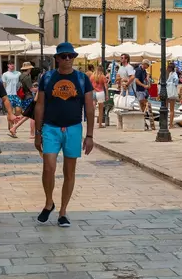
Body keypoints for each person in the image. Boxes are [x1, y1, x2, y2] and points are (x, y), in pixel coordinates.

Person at [34, 43, 94, 228]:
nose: (68, 59)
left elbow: (89, 108)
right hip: (51, 128)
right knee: (48, 168)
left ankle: (63, 212)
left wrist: (90, 135)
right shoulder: (48, 77)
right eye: (64, 56)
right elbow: (40, 105)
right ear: (57, 58)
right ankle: (49, 202)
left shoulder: (83, 79)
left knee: (69, 172)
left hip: (73, 128)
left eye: (71, 56)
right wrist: (38, 132)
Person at [90, 64, 109, 129]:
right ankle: (100, 124)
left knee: (93, 109)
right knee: (100, 110)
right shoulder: (103, 76)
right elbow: (106, 87)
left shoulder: (92, 76)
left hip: (93, 92)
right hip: (100, 93)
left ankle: (91, 124)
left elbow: (89, 85)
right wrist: (107, 95)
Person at [166, 62, 179, 127]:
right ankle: (171, 124)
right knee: (171, 109)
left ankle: (165, 123)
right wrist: (174, 85)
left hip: (166, 91)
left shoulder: (168, 73)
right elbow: (176, 81)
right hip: (172, 92)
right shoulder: (174, 74)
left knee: (165, 108)